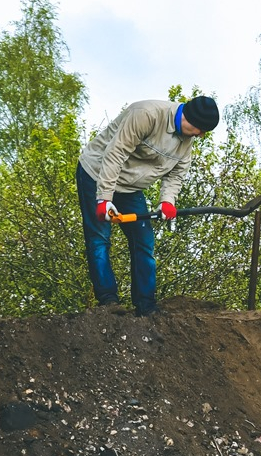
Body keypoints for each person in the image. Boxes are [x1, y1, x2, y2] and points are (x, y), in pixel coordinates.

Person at [76, 96, 219, 316]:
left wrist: (167, 201)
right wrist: (104, 198)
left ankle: (146, 304)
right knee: (99, 239)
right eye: (200, 129)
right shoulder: (147, 115)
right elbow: (115, 153)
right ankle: (108, 302)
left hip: (131, 188)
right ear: (188, 118)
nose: (200, 135)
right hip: (97, 174)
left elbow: (177, 174)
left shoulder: (186, 140)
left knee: (144, 242)